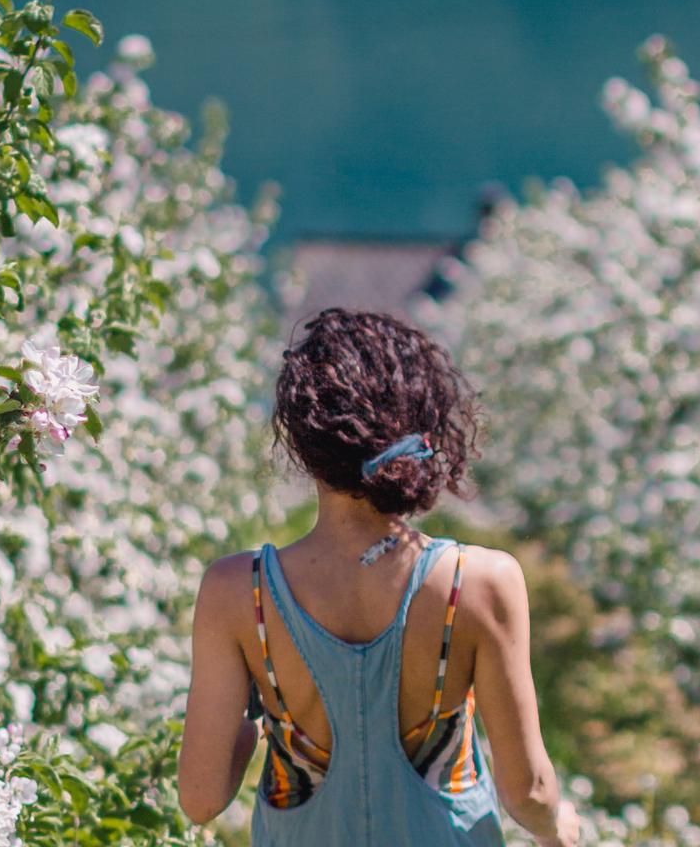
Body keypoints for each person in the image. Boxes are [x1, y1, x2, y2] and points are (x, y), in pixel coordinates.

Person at [177, 308, 582, 847]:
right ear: (425, 426)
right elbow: (528, 791)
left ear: (300, 441)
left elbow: (200, 798)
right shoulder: (478, 581)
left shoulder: (237, 590)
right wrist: (561, 830)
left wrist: (251, 723)